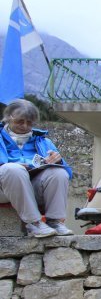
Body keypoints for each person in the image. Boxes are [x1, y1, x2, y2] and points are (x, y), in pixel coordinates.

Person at [0, 99, 73, 237]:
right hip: (3, 188)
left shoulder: (43, 141)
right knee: (13, 169)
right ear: (9, 117)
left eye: (29, 122)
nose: (24, 126)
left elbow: (68, 174)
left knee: (58, 172)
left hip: (30, 188)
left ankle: (55, 221)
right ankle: (34, 223)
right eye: (20, 121)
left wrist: (57, 161)